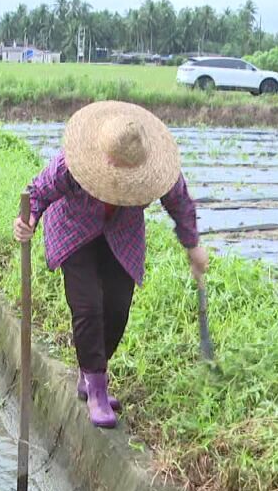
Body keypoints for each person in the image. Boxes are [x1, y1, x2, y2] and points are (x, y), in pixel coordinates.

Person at [13, 101, 208, 429]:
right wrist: (27, 220)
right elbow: (37, 193)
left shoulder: (157, 170)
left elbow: (180, 203)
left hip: (122, 233)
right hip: (74, 229)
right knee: (87, 306)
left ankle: (88, 374)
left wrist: (193, 246)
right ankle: (97, 390)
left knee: (117, 308)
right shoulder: (72, 162)